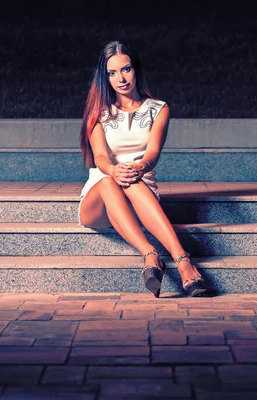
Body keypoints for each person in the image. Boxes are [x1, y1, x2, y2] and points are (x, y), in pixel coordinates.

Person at [77, 40, 207, 297]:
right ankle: (175, 259)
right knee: (108, 181)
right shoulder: (98, 113)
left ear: (135, 69)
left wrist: (140, 166)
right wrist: (114, 171)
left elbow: (153, 154)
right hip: (99, 201)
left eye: (126, 69)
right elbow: (101, 156)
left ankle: (159, 259)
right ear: (105, 78)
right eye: (112, 73)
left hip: (140, 196)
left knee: (132, 180)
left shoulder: (158, 109)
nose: (121, 78)